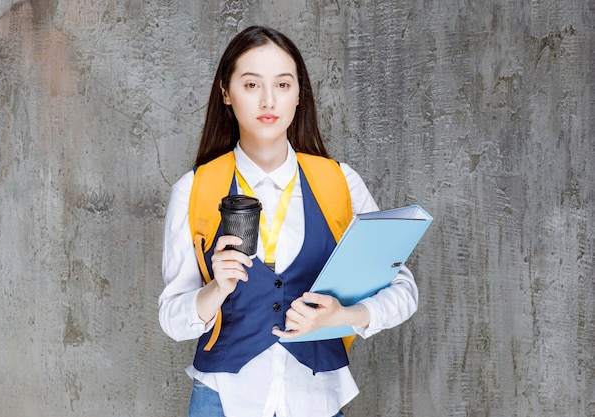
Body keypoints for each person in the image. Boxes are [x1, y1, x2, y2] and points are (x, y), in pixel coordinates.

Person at [159, 26, 419, 417]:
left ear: (299, 95)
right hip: (222, 400)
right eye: (251, 84)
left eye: (282, 84)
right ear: (226, 93)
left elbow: (403, 288)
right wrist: (215, 290)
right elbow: (172, 319)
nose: (268, 100)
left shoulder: (339, 183)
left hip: (317, 398)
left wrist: (344, 317)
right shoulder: (194, 189)